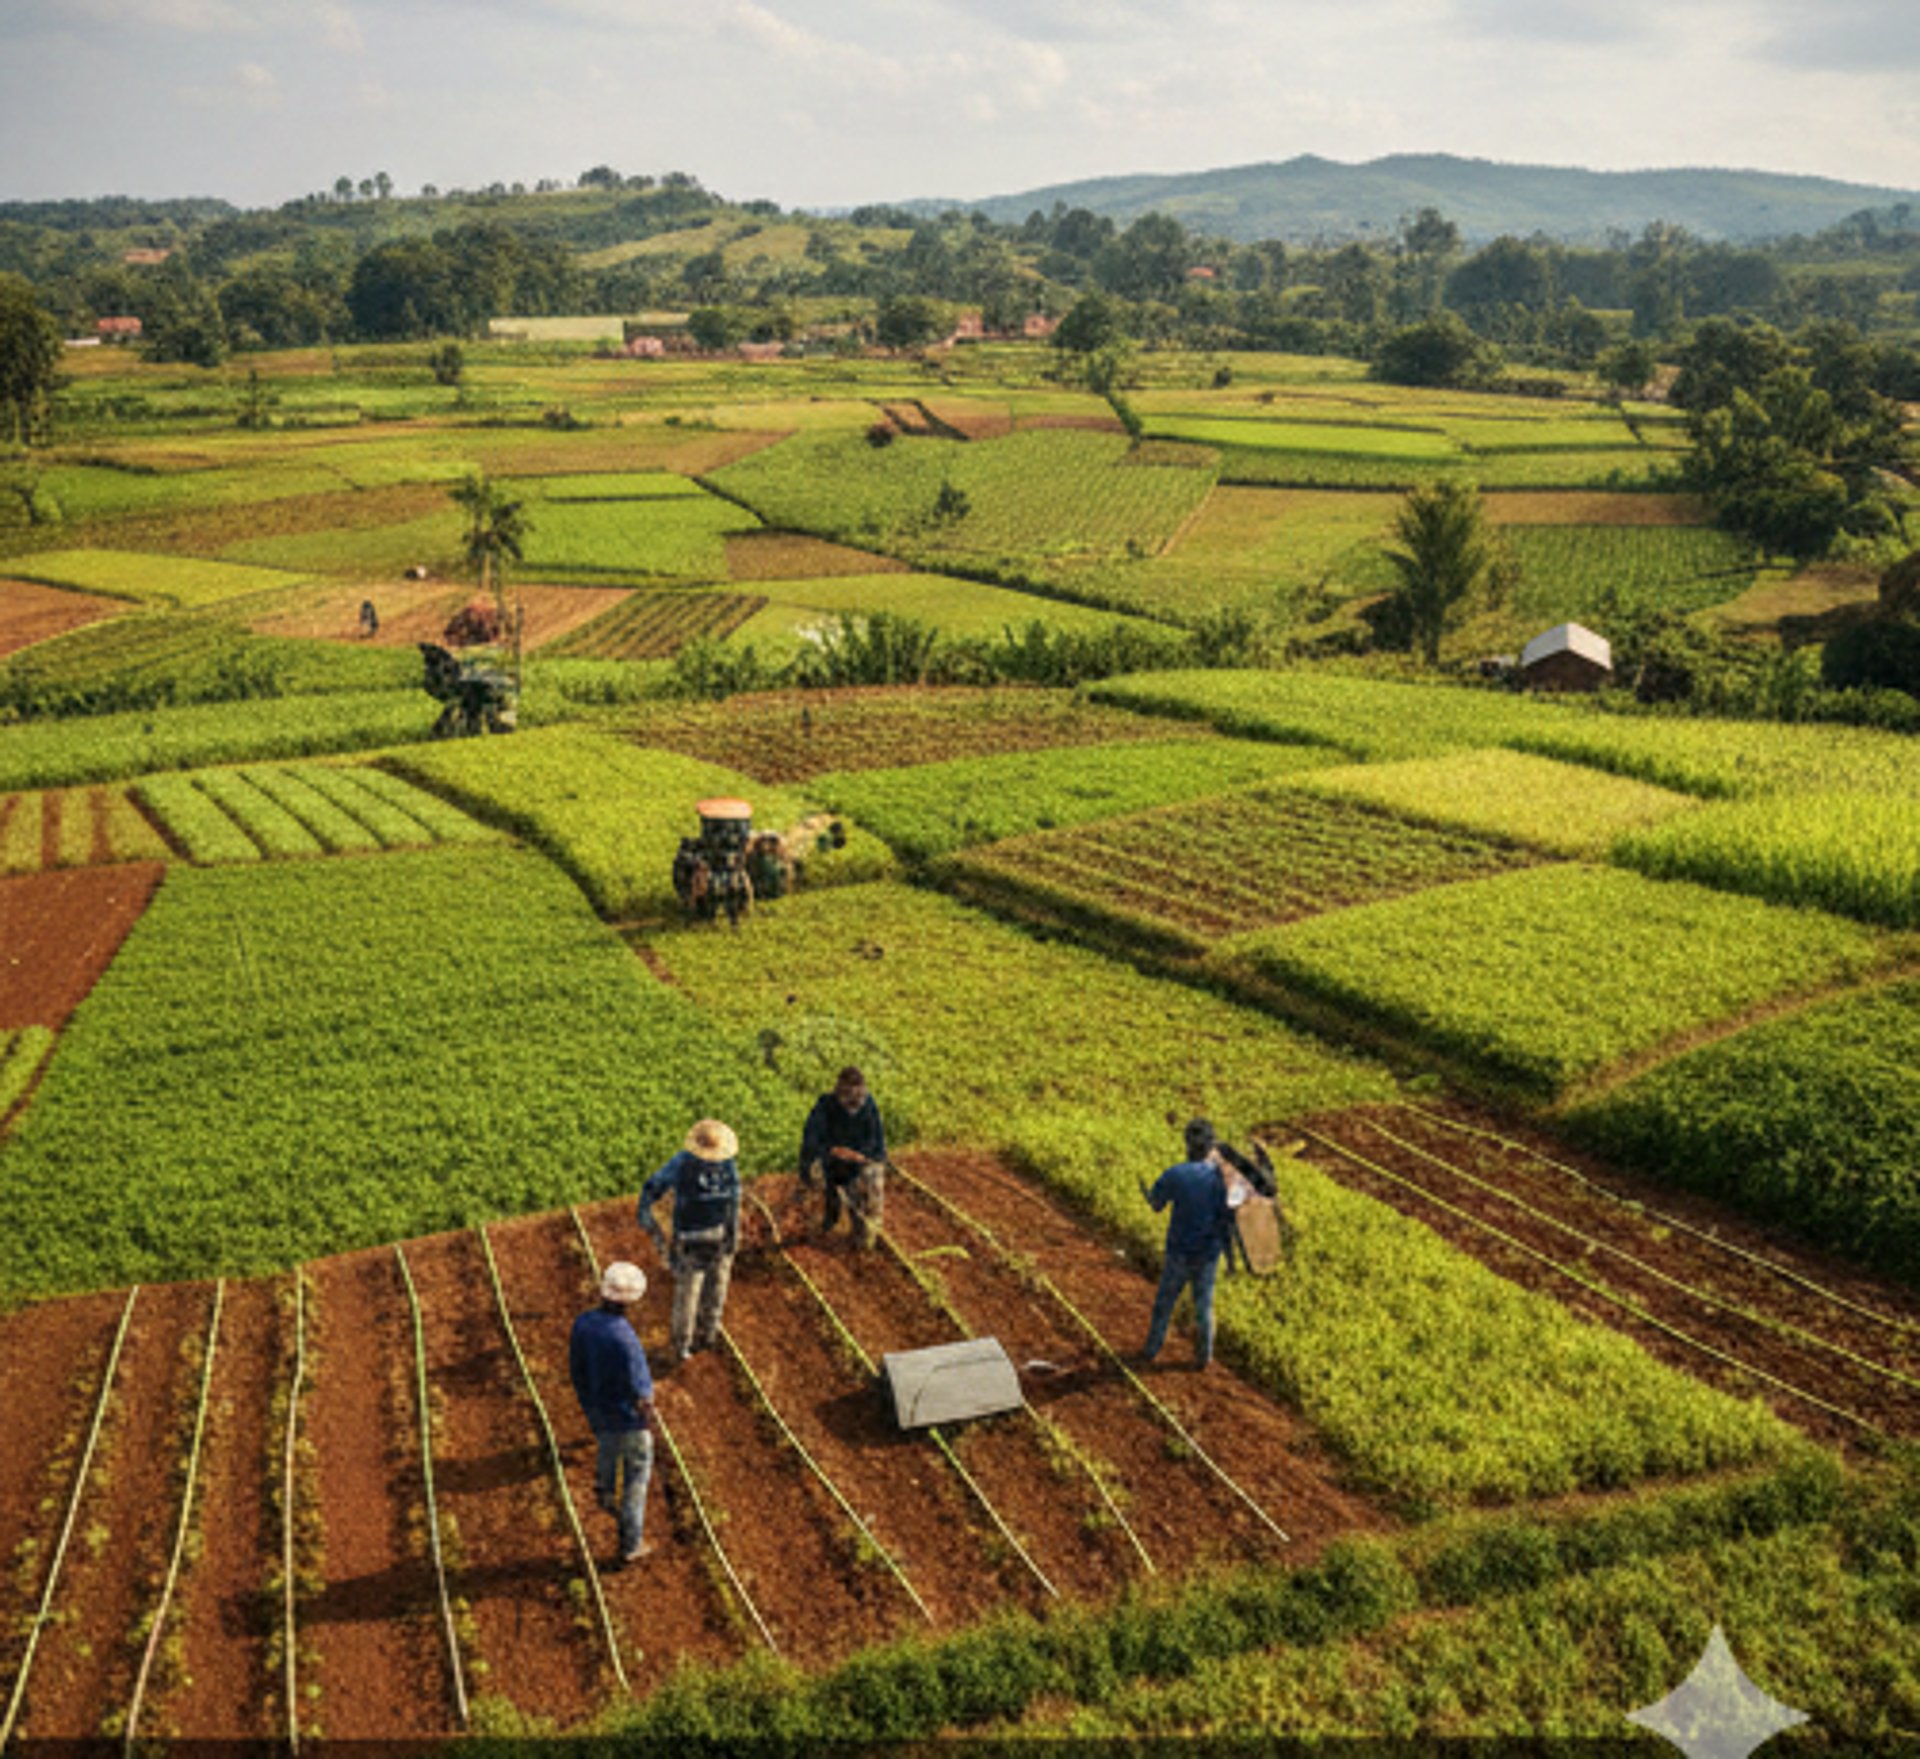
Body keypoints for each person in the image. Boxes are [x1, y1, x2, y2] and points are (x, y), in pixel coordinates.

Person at [568, 1261, 655, 1568]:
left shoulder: (584, 1323)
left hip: (598, 1408)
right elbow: (641, 1389)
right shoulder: (625, 1339)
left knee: (607, 1444)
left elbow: (576, 1369)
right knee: (637, 1477)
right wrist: (649, 1415)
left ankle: (604, 1489)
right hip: (628, 1418)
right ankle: (631, 1543)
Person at [637, 1119, 742, 1362]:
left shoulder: (683, 1163)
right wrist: (734, 1237)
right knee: (717, 1287)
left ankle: (682, 1344)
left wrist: (645, 1211)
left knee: (689, 1293)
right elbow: (734, 1204)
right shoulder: (728, 1166)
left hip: (690, 1236)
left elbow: (654, 1185)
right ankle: (708, 1333)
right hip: (719, 1235)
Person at [1138, 1118, 1234, 1370]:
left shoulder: (1176, 1174)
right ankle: (1204, 1357)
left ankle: (1152, 1349)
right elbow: (1231, 1215)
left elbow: (1157, 1204)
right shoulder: (1221, 1179)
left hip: (1179, 1253)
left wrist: (1147, 1194)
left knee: (1165, 1303)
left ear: (1187, 1146)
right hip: (1208, 1257)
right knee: (1203, 1308)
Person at [799, 1067, 887, 1247]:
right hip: (830, 1162)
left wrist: (860, 1155)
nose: (853, 1103)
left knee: (871, 1186)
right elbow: (812, 1139)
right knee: (817, 1183)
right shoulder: (825, 1105)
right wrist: (832, 1150)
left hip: (860, 1163)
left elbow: (876, 1142)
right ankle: (825, 1220)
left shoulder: (869, 1107)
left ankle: (867, 1233)